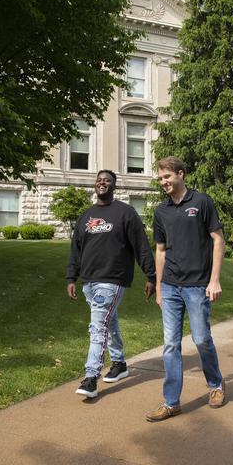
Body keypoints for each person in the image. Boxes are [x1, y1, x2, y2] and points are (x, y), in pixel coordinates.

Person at [145, 157, 226, 422]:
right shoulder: (161, 211)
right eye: (160, 178)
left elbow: (218, 240)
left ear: (181, 174)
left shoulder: (201, 202)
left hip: (196, 286)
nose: (163, 182)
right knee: (170, 344)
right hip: (170, 286)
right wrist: (158, 288)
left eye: (167, 176)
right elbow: (160, 250)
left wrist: (214, 280)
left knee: (202, 339)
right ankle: (171, 402)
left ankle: (215, 384)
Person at [66, 170, 155, 399]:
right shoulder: (86, 216)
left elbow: (141, 246)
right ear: (95, 185)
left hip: (112, 279)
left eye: (107, 180)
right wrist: (71, 277)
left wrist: (151, 275)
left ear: (114, 185)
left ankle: (91, 378)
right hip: (89, 281)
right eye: (99, 179)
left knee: (98, 327)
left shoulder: (125, 213)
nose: (102, 182)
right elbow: (76, 249)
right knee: (109, 321)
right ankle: (119, 364)